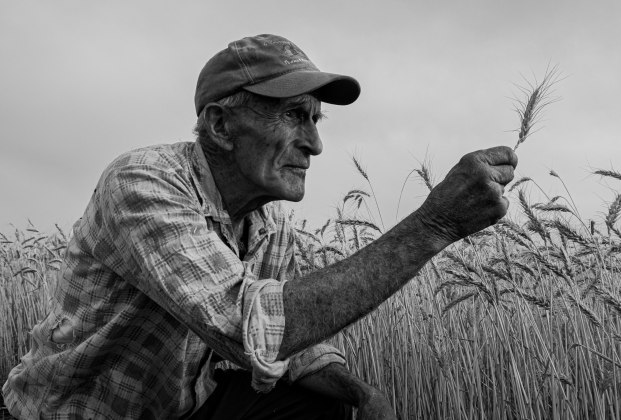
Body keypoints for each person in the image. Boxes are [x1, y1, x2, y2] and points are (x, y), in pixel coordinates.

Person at [2, 34, 517, 419]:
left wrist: (359, 391)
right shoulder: (142, 185)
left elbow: (293, 337)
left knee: (326, 408)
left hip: (184, 409)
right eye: (295, 115)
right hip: (82, 413)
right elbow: (254, 327)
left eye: (317, 120)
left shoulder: (269, 218)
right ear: (221, 125)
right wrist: (434, 224)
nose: (315, 144)